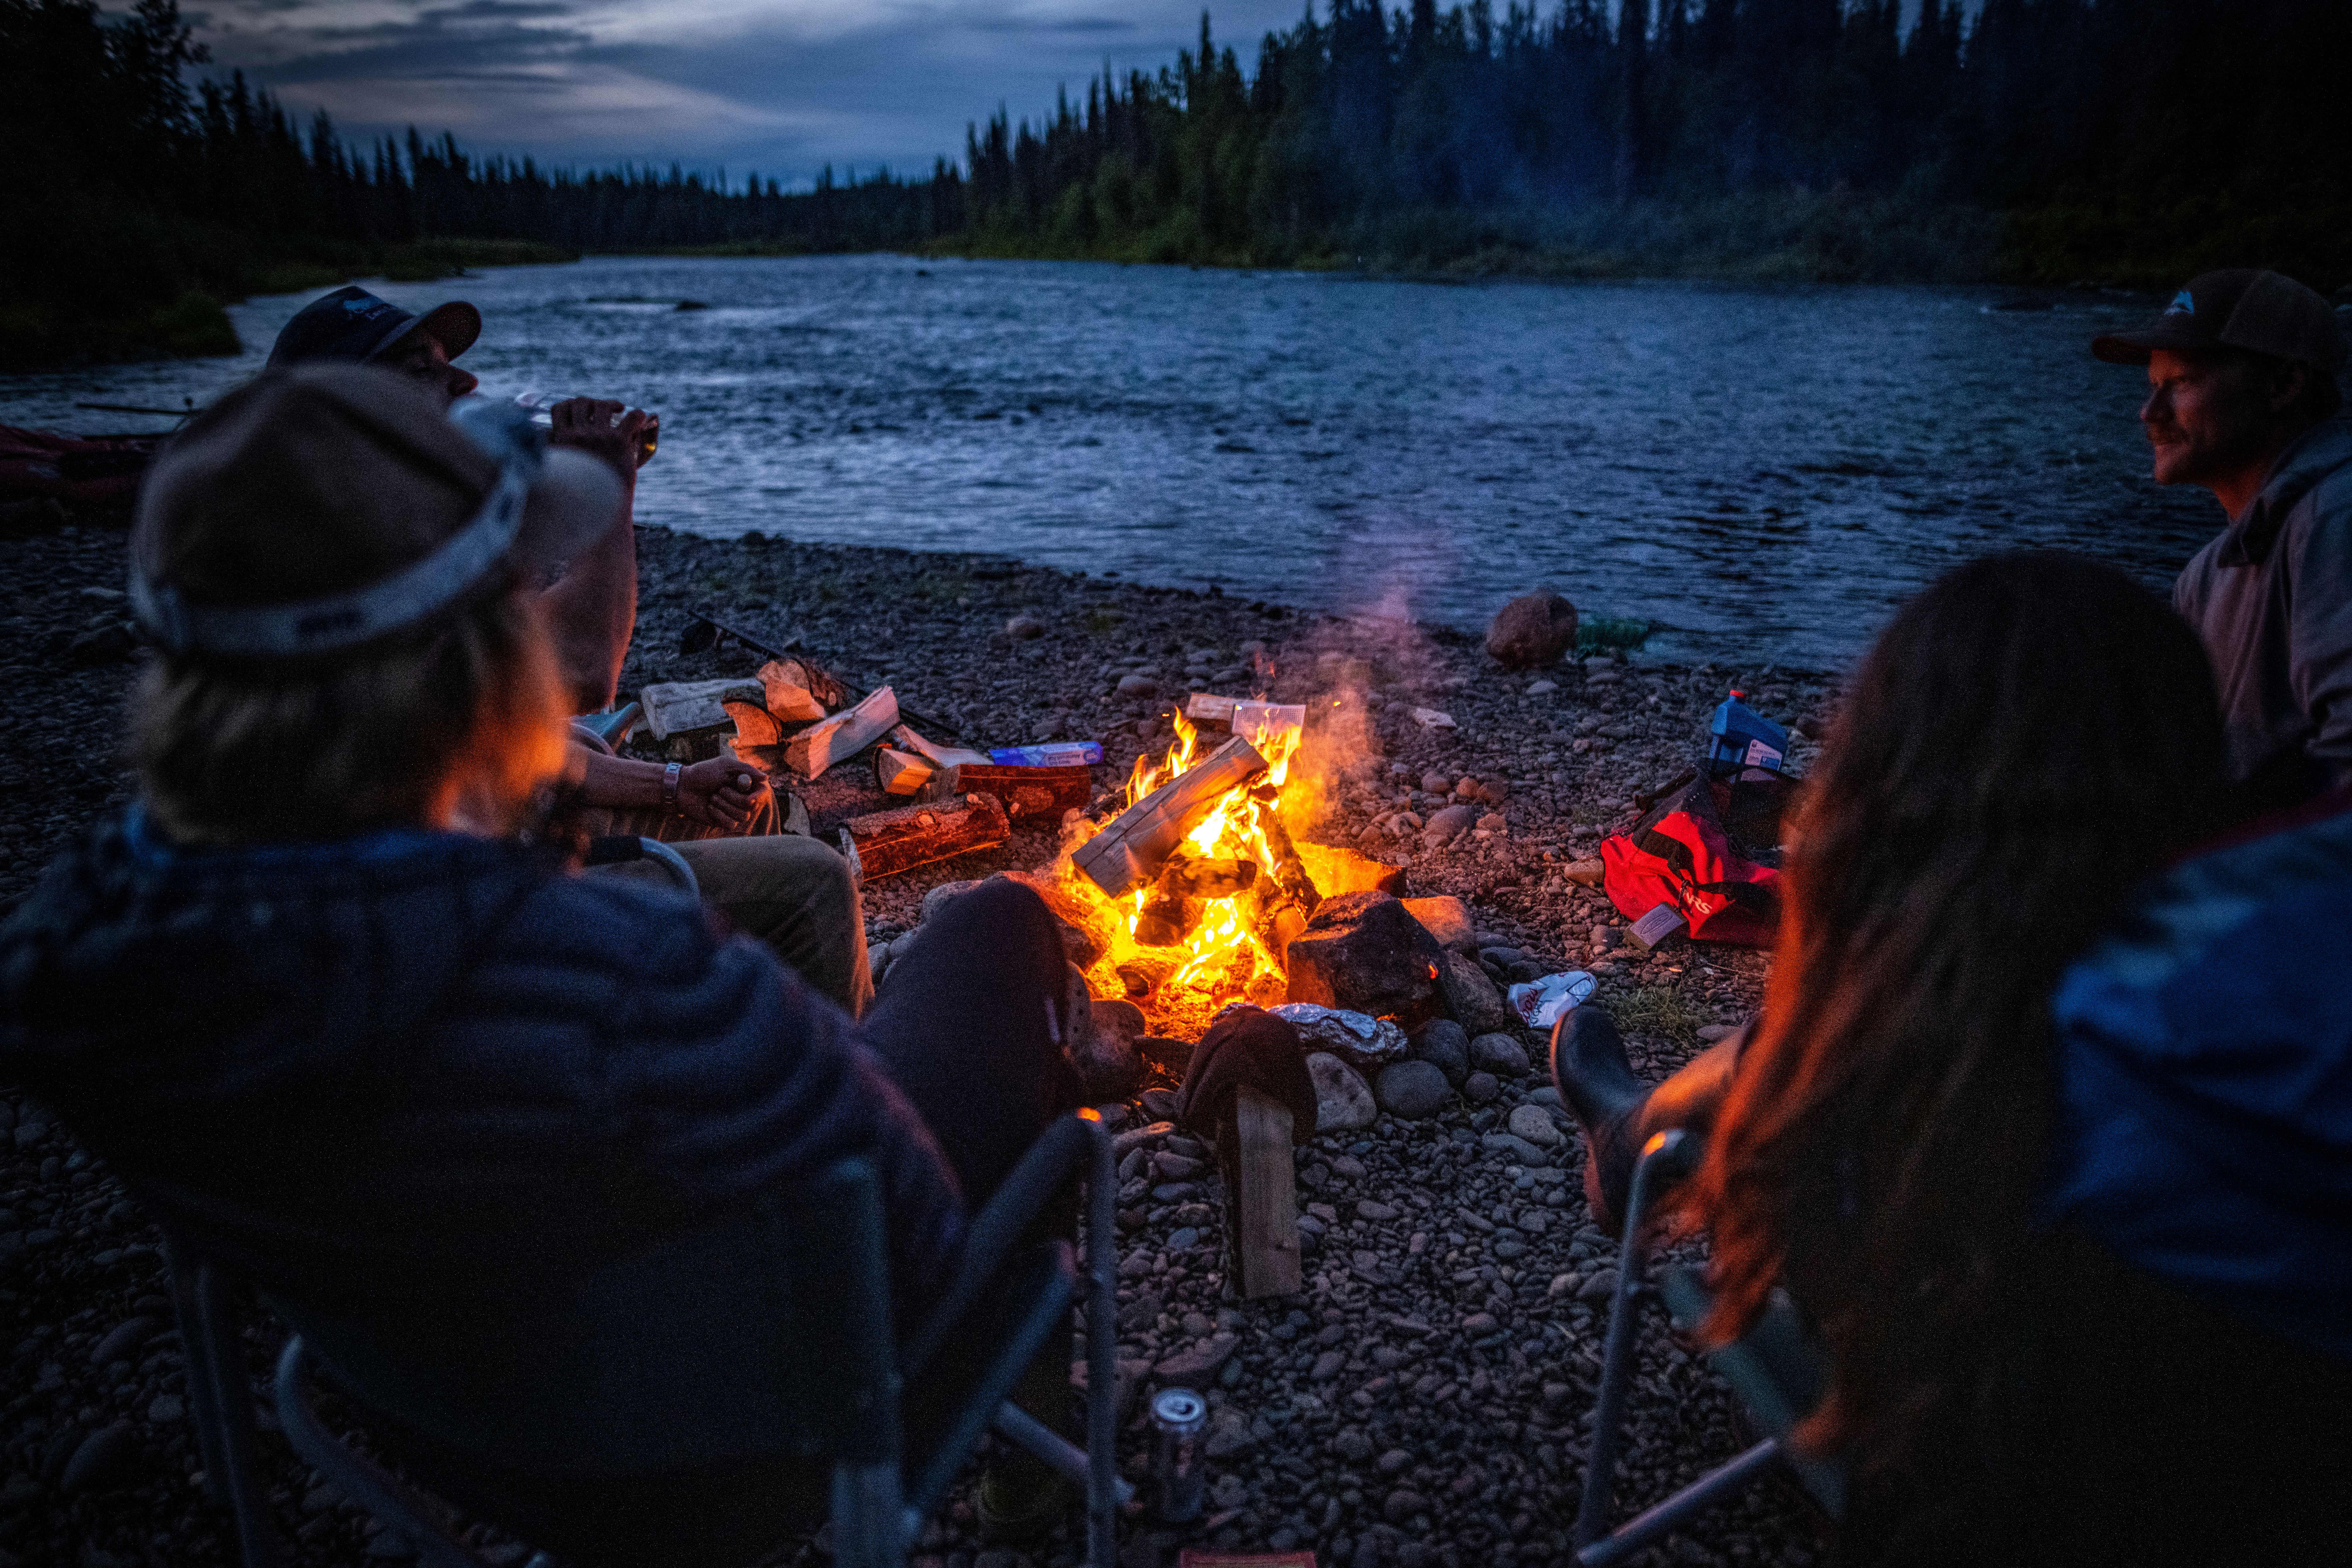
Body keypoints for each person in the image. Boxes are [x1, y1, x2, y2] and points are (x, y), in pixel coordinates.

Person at [0, 364, 1085, 1562]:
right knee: (995, 925)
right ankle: (1031, 1481)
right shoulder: (627, 986)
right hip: (762, 1451)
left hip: (432, 1419)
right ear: (478, 663)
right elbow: (915, 1265)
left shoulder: (87, 977)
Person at [1555, 553, 2351, 1562]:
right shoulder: (2282, 939)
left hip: (2014, 1491)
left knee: (1848, 1052)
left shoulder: (1968, 1085)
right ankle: (1631, 1130)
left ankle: (1635, 1139)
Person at [269, 287, 867, 1011]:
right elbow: (586, 672)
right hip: (460, 907)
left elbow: (512, 734)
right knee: (812, 881)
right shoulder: (350, 574)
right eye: (423, 370)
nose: (466, 384)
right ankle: (837, 1105)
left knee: (753, 809)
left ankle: (722, 1061)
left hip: (491, 836)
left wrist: (674, 788)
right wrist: (608, 491)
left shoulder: (405, 537)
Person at [2091, 268, 2352, 807]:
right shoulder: (2204, 578)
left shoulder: (2336, 519)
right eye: (2152, 386)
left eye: (2181, 382)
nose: (2150, 413)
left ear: (2283, 385)